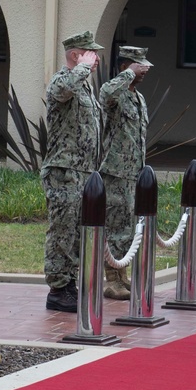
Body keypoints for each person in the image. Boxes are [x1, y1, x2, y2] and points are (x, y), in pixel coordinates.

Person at [41, 31, 104, 312]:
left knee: (76, 233)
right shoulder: (62, 79)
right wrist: (82, 67)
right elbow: (61, 91)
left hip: (83, 172)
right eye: (91, 53)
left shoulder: (85, 86)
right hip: (64, 171)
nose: (97, 58)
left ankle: (70, 284)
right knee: (62, 232)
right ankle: (58, 288)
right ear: (77, 55)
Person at [98, 46, 152, 300]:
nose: (144, 70)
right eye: (137, 65)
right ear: (124, 67)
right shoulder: (116, 94)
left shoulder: (138, 98)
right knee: (115, 224)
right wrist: (128, 74)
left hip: (134, 172)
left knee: (128, 226)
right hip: (116, 171)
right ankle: (111, 277)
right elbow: (106, 93)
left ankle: (122, 274)